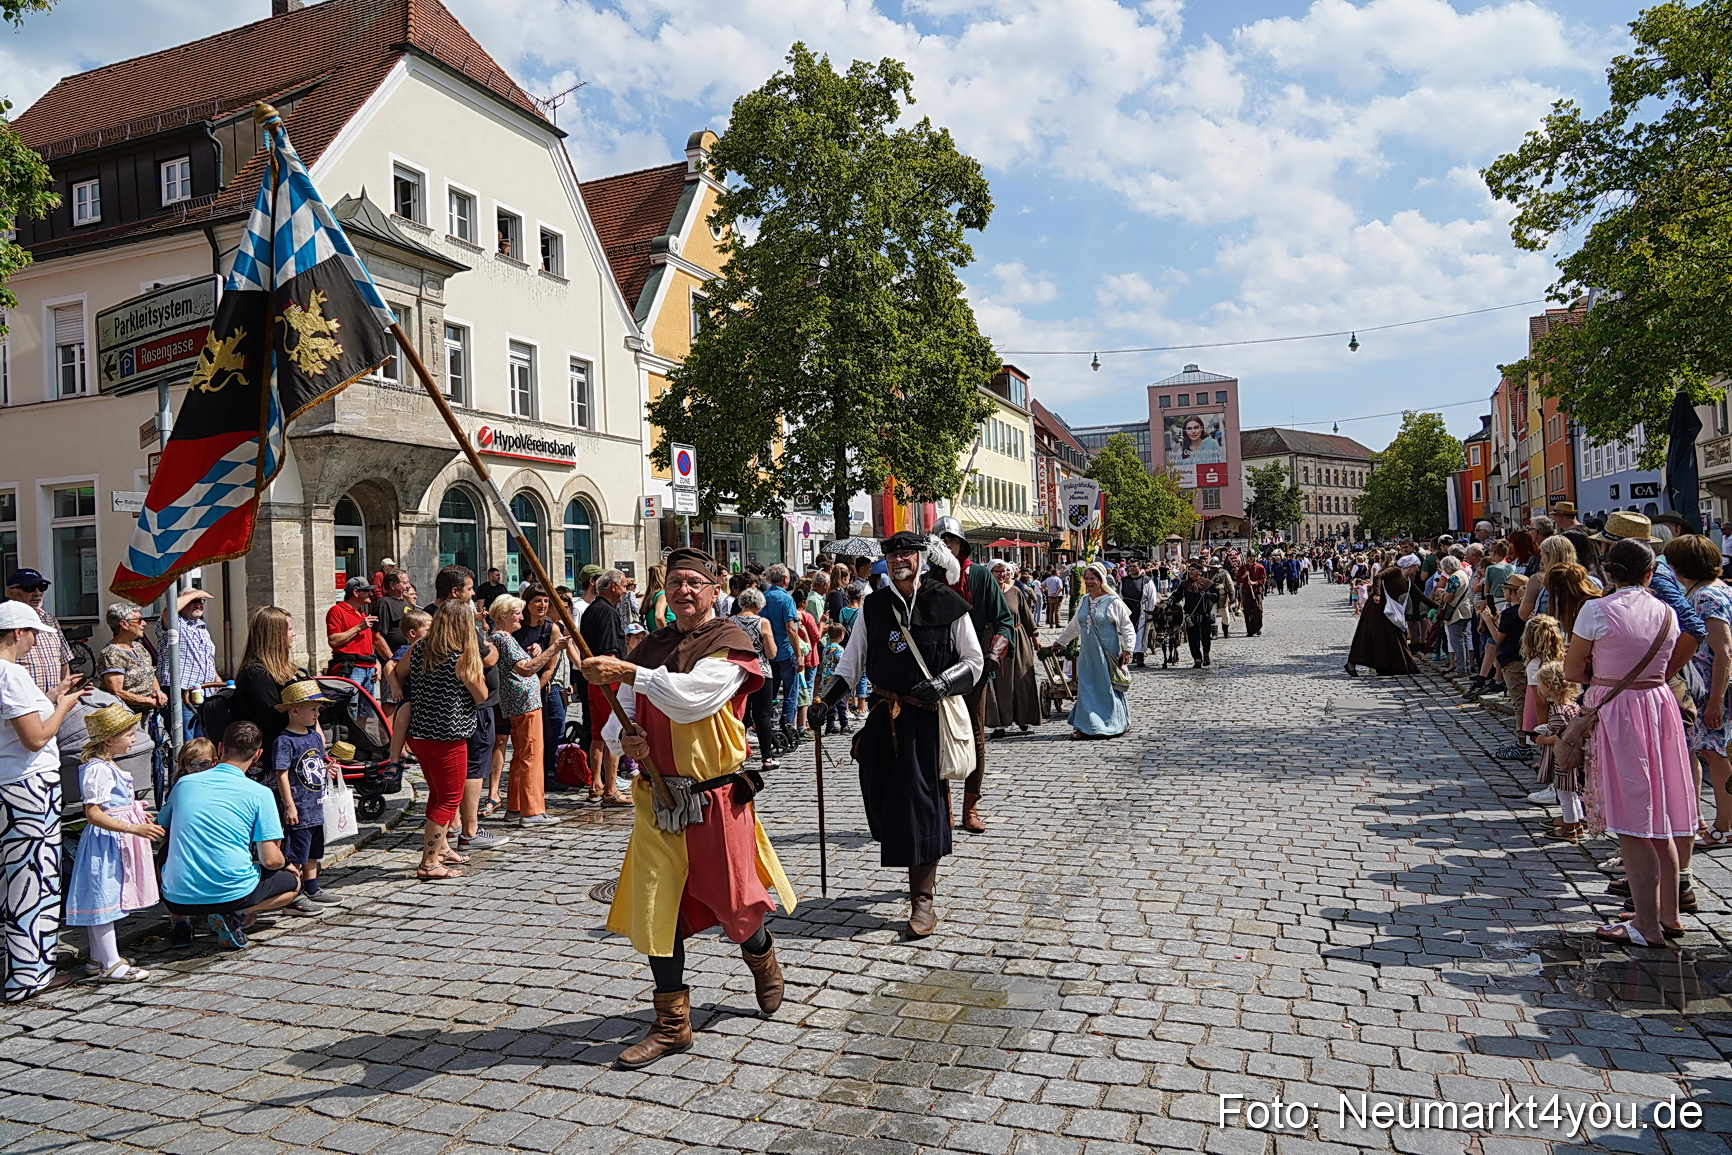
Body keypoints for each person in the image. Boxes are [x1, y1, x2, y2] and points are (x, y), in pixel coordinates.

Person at [583, 547, 796, 1068]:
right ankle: (673, 1024)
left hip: (715, 795)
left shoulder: (731, 641)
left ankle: (760, 954)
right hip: (659, 798)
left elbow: (692, 699)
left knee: (735, 904)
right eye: (674, 581)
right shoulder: (652, 645)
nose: (683, 590)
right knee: (658, 909)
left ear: (713, 587)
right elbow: (624, 717)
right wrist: (623, 741)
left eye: (693, 582)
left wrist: (629, 673)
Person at [816, 532, 981, 936]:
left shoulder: (948, 604)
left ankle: (922, 900)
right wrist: (824, 700)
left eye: (906, 552)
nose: (898, 559)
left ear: (922, 558)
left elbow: (974, 662)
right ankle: (909, 863)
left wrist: (942, 684)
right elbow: (851, 663)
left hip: (927, 721)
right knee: (880, 793)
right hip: (882, 719)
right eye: (891, 554)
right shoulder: (874, 606)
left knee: (920, 807)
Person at [1566, 538, 1696, 947]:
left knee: (1634, 819)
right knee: (1659, 816)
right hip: (1659, 705)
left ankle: (1646, 924)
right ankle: (1667, 913)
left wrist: (1601, 678)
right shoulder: (1665, 611)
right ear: (1649, 572)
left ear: (1609, 572)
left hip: (1620, 710)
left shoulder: (1596, 609)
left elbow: (1572, 668)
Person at [158, 721, 303, 949]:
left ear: (221, 747)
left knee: (166, 851)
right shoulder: (260, 794)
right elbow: (270, 859)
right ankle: (237, 911)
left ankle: (180, 922)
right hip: (234, 892)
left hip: (178, 898)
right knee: (292, 884)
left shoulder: (184, 783)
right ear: (258, 755)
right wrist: (287, 864)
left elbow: (162, 824)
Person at [931, 518, 1013, 835]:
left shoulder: (977, 575)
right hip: (933, 671)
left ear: (961, 545)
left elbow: (1004, 619)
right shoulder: (926, 579)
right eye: (941, 542)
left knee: (974, 737)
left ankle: (970, 807)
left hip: (971, 669)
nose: (946, 547)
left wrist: (995, 651)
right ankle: (944, 808)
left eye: (951, 541)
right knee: (935, 740)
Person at [401, 601, 489, 880]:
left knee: (438, 794)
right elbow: (481, 695)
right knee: (450, 798)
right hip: (447, 736)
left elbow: (397, 671)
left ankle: (441, 848)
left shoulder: (420, 649)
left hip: (420, 733)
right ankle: (429, 862)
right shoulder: (459, 657)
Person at [1664, 535, 1732, 848]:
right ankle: (1706, 820)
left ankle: (1725, 826)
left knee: (1716, 754)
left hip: (1712, 689)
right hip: (1706, 688)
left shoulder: (1707, 596)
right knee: (1706, 750)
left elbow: (1723, 650)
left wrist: (1715, 700)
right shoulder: (1713, 590)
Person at [489, 594, 572, 829]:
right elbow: (525, 670)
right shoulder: (503, 638)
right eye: (516, 612)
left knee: (521, 755)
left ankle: (516, 807)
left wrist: (536, 653)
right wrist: (553, 648)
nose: (520, 616)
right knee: (531, 756)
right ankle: (532, 810)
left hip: (520, 702)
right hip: (523, 703)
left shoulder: (505, 637)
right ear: (503, 615)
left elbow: (521, 664)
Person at [271, 680, 344, 916]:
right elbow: (281, 774)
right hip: (299, 807)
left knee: (314, 852)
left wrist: (327, 771)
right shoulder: (284, 741)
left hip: (317, 805)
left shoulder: (313, 737)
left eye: (318, 709)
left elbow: (316, 766)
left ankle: (312, 887)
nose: (317, 714)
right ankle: (295, 894)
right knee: (296, 854)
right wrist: (289, 805)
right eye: (313, 709)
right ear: (294, 710)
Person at [1045, 562, 1134, 739]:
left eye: (1092, 578)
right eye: (1086, 579)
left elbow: (1127, 627)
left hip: (1107, 653)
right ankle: (1087, 726)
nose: (1089, 582)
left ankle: (1115, 722)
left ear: (1101, 580)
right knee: (1087, 688)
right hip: (1088, 654)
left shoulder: (1112, 601)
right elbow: (1074, 626)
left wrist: (1128, 650)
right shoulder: (1084, 601)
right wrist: (1059, 642)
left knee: (1108, 688)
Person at [231, 607, 306, 783]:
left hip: (289, 756)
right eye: (289, 629)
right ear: (275, 634)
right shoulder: (255, 673)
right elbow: (274, 718)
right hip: (270, 762)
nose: (293, 634)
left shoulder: (287, 670)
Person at [580, 570, 633, 807]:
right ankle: (610, 788)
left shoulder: (592, 609)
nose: (625, 591)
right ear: (612, 586)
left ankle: (596, 785)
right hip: (608, 679)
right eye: (623, 586)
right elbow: (610, 652)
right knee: (612, 732)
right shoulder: (608, 613)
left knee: (597, 733)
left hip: (594, 680)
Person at [515, 587, 571, 801]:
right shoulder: (517, 626)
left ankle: (547, 769)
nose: (543, 605)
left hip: (542, 685)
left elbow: (550, 666)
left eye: (546, 601)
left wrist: (535, 688)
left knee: (556, 724)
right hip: (514, 686)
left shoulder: (551, 628)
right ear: (527, 603)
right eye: (537, 600)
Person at [984, 560, 1040, 738]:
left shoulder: (1015, 591)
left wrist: (1035, 638)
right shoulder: (984, 593)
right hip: (994, 642)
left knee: (1021, 679)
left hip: (1018, 639)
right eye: (997, 571)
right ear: (990, 573)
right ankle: (999, 723)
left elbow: (1026, 615)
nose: (1001, 574)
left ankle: (1023, 717)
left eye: (1004, 571)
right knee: (998, 683)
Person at [1529, 662, 1585, 842]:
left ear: (1550, 686)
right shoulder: (1573, 706)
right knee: (1572, 793)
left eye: (1540, 685)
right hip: (1573, 758)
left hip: (1563, 759)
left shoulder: (1559, 710)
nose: (1539, 689)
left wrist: (1544, 739)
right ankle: (1576, 824)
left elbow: (1562, 736)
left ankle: (1569, 829)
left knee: (1564, 794)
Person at [728, 586, 780, 769]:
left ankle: (738, 758)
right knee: (763, 715)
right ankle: (767, 758)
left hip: (737, 673)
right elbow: (771, 652)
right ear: (759, 604)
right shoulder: (762, 622)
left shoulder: (730, 622)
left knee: (738, 715)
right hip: (761, 672)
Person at [154, 587, 218, 738]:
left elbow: (205, 658)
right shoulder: (174, 622)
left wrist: (216, 679)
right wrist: (195, 593)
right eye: (192, 602)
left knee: (201, 742)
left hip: (203, 692)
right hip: (181, 692)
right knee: (185, 742)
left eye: (201, 602)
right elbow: (170, 608)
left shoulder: (202, 627)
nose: (198, 605)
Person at [1345, 553, 1419, 677]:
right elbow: (1379, 576)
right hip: (1377, 608)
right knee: (1368, 635)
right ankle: (1352, 663)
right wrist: (1377, 594)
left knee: (1394, 637)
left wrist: (1439, 608)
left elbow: (1419, 595)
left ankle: (1395, 666)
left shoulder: (1408, 581)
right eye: (1417, 566)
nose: (1418, 569)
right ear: (1411, 566)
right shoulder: (1395, 570)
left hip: (1390, 611)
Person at [4, 568, 73, 695]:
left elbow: (64, 660)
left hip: (54, 704)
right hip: (22, 704)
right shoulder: (5, 621)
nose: (37, 593)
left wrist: (64, 693)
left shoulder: (49, 619)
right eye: (29, 588)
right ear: (11, 593)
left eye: (42, 587)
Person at [326, 577, 392, 700]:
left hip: (368, 669)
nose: (371, 594)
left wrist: (375, 663)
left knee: (366, 711)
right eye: (366, 591)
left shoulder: (361, 614)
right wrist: (359, 627)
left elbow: (367, 644)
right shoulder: (337, 611)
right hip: (352, 668)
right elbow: (333, 641)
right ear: (355, 593)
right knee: (351, 709)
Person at [1175, 565, 1219, 669]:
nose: (1190, 572)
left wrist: (1209, 594)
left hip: (1204, 615)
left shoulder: (1208, 584)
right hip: (1191, 616)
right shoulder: (1185, 584)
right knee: (1193, 640)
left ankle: (1206, 655)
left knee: (1205, 638)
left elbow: (1216, 597)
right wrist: (1171, 600)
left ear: (1199, 572)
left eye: (1193, 570)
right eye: (1189, 570)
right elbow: (1177, 595)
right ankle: (1197, 660)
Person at [819, 623, 850, 734]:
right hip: (837, 679)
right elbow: (842, 663)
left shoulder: (826, 648)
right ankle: (844, 724)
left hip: (826, 679)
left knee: (830, 703)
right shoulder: (839, 649)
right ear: (841, 635)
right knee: (840, 702)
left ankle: (830, 725)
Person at [1120, 560, 1150, 667]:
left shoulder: (1146, 580)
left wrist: (1150, 612)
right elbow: (1120, 596)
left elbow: (1151, 597)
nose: (1132, 568)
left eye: (1134, 566)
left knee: (1140, 633)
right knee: (1128, 631)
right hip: (1127, 609)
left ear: (1139, 567)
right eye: (1130, 566)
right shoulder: (1124, 580)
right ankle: (1129, 652)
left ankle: (1139, 655)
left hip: (1141, 608)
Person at [375, 571, 413, 653]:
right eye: (405, 583)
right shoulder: (384, 603)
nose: (409, 586)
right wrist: (392, 660)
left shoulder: (405, 602)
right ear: (392, 585)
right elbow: (377, 637)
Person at [1237, 554, 1267, 638]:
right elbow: (1238, 579)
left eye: (1252, 556)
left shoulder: (1260, 567)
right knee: (1247, 611)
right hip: (1246, 591)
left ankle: (1257, 627)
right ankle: (1250, 630)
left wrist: (1254, 583)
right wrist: (1244, 576)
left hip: (1256, 591)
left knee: (1258, 609)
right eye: (1249, 556)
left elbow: (1263, 580)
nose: (1251, 558)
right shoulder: (1243, 568)